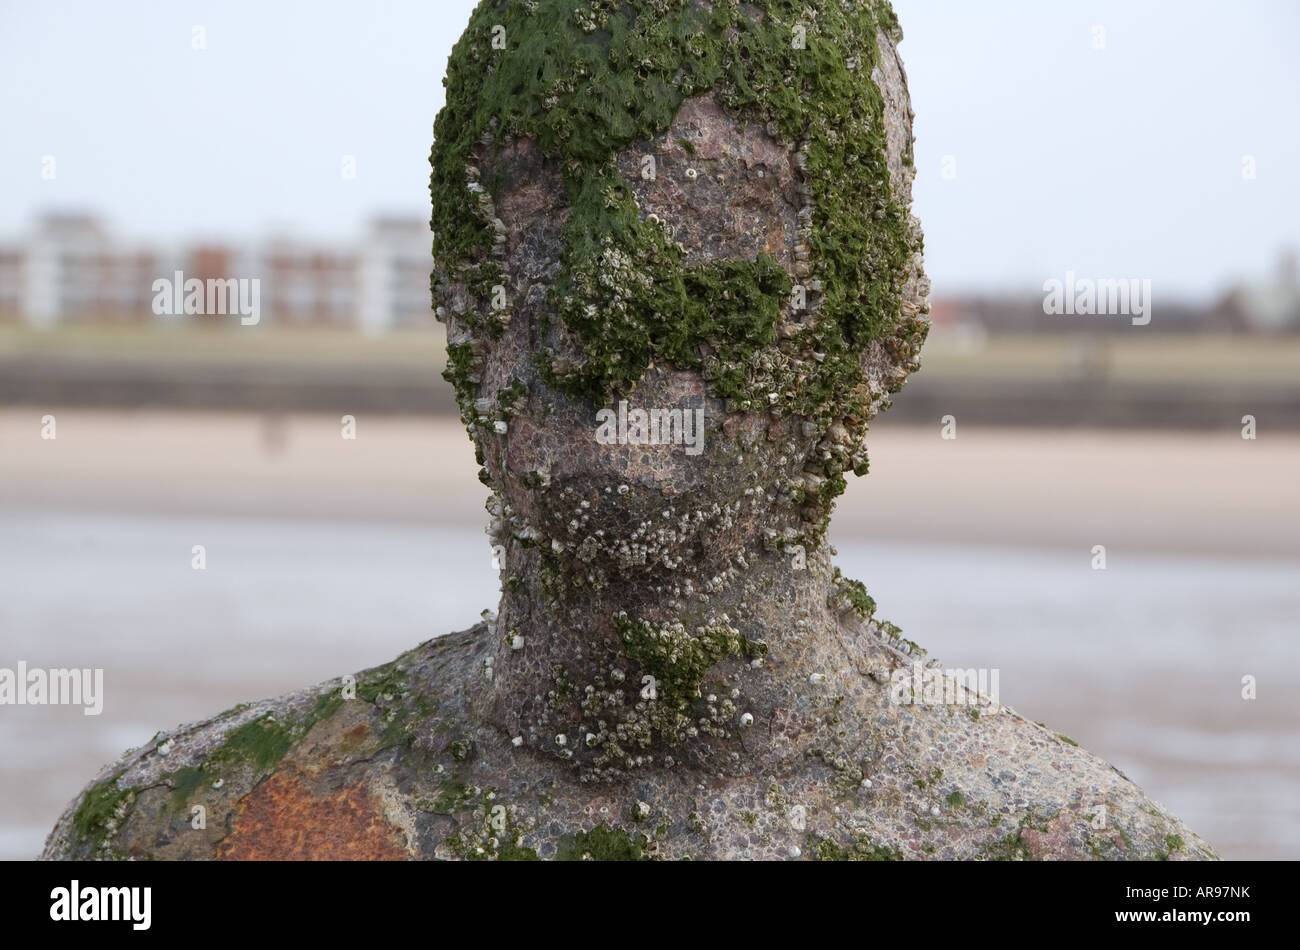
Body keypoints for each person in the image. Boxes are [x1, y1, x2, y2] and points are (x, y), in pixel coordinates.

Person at [43, 0, 1213, 861]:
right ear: (455, 291)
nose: (609, 284)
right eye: (534, 192)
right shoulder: (162, 844)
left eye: (723, 198)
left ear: (882, 321)